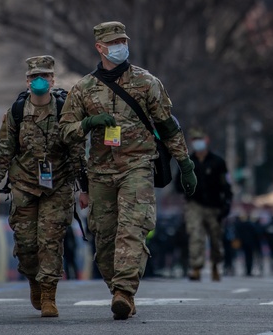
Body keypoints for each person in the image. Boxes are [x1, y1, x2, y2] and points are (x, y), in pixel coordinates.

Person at [60, 21, 196, 320]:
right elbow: (65, 131)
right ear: (100, 47)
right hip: (100, 172)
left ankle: (124, 291)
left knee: (132, 228)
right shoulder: (83, 89)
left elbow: (168, 126)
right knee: (105, 238)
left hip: (138, 165)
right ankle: (117, 290)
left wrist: (185, 163)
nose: (120, 45)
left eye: (123, 39)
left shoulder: (147, 83)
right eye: (113, 42)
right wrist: (88, 124)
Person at [0, 55, 87, 317]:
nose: (39, 80)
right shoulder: (16, 113)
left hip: (58, 185)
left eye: (44, 76)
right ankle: (33, 279)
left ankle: (49, 294)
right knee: (26, 244)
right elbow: (5, 150)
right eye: (33, 77)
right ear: (27, 81)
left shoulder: (66, 111)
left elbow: (77, 152)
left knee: (51, 241)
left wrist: (83, 188)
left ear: (53, 80)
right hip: (24, 185)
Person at [179, 128, 232, 282]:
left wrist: (227, 203)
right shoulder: (188, 161)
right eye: (194, 140)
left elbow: (226, 185)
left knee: (216, 237)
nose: (197, 142)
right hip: (194, 204)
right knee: (195, 235)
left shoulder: (218, 162)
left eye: (199, 139)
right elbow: (178, 183)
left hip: (214, 205)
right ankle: (196, 267)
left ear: (206, 140)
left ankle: (216, 264)